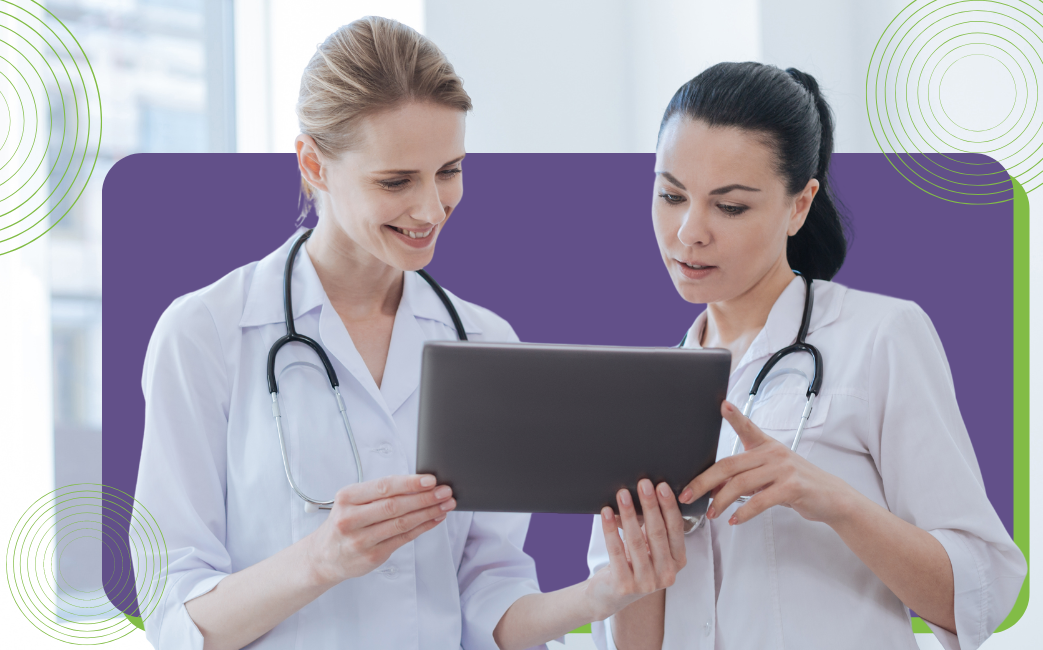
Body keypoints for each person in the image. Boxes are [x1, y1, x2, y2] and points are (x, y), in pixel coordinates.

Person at [133, 17, 686, 650]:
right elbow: (176, 617)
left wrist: (604, 592)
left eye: (448, 171)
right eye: (395, 181)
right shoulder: (205, 335)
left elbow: (489, 599)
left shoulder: (485, 343)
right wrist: (322, 559)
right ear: (313, 163)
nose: (430, 209)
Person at [587, 62, 1026, 650]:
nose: (689, 232)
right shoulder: (638, 397)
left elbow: (984, 592)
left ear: (799, 205)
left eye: (731, 206)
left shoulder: (881, 335)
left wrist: (833, 500)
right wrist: (639, 566)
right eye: (671, 195)